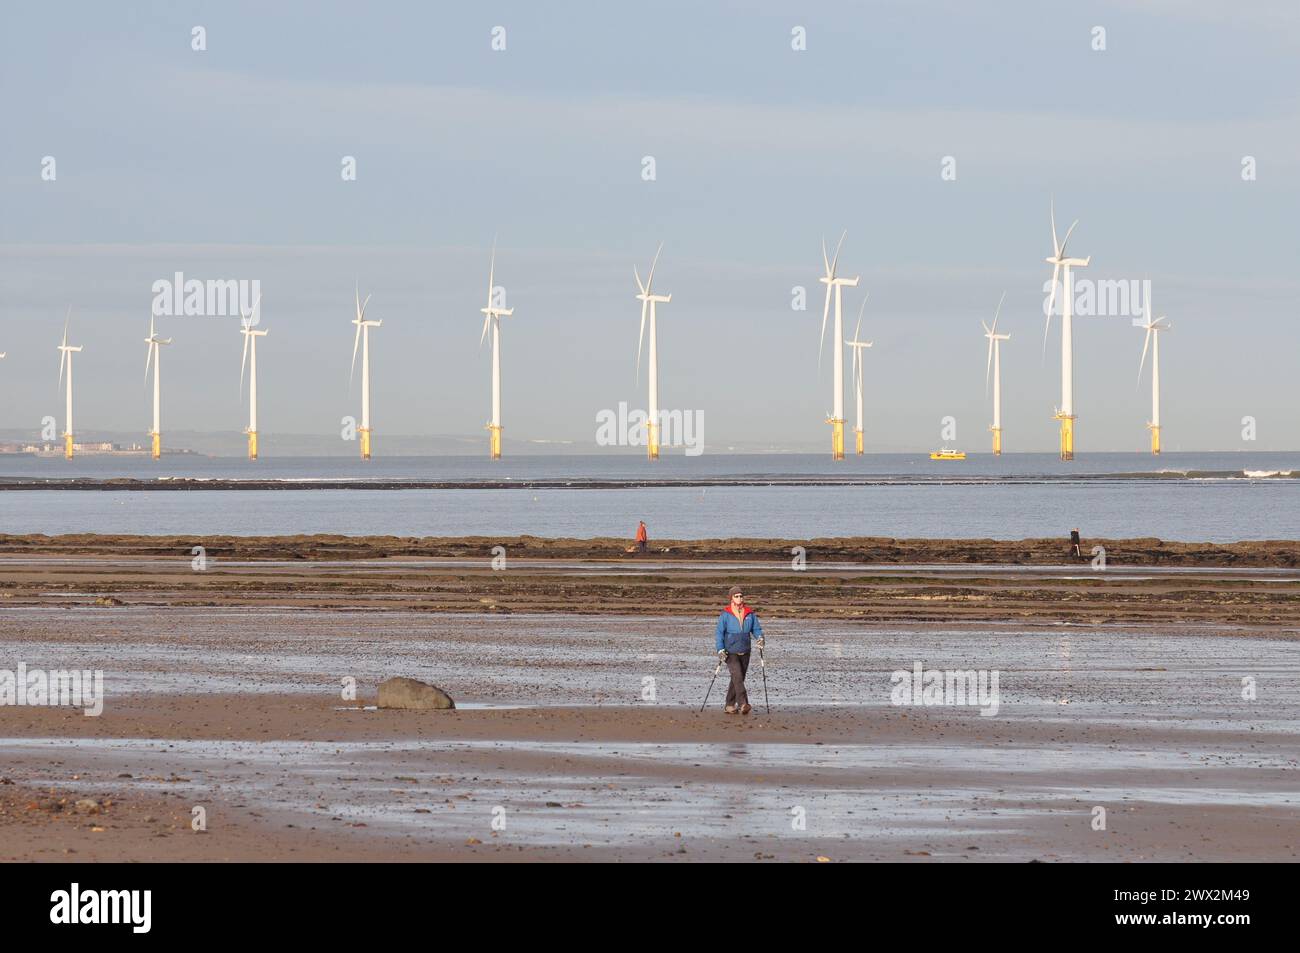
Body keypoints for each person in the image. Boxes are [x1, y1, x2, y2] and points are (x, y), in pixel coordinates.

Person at [715, 585, 764, 715]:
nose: (739, 598)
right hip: (730, 651)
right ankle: (743, 703)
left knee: (738, 678)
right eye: (736, 596)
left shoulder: (749, 613)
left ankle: (730, 705)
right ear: (731, 598)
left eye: (741, 596)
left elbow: (756, 629)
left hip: (745, 650)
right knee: (737, 675)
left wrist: (760, 638)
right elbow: (719, 633)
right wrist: (720, 649)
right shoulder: (725, 614)